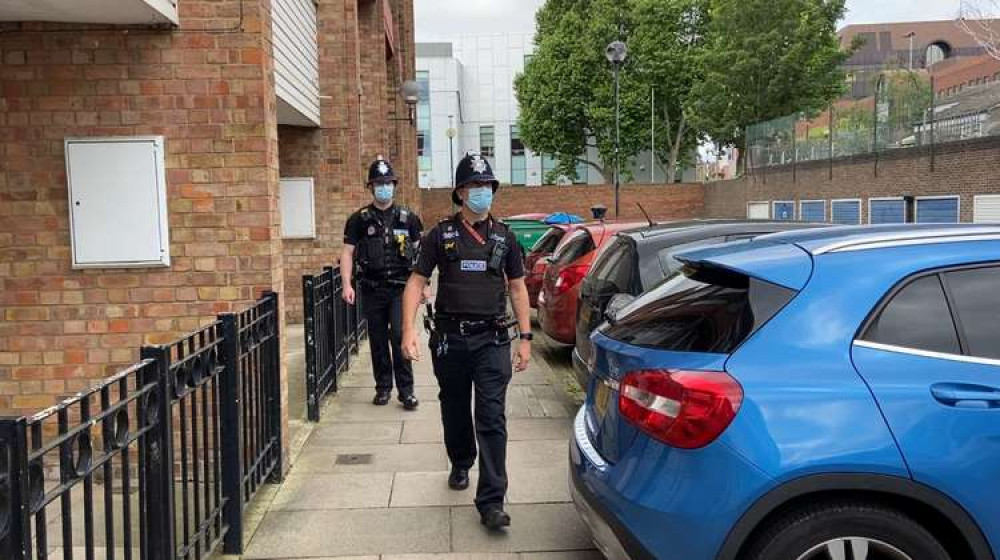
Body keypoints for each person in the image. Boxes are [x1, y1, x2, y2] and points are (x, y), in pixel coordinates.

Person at [401, 152, 532, 531]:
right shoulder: (439, 236)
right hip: (450, 342)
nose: (482, 192)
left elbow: (519, 289)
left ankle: (491, 500)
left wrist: (525, 338)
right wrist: (408, 331)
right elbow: (415, 283)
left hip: (492, 341)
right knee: (455, 410)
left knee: (491, 417)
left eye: (487, 186)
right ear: (460, 192)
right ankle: (460, 460)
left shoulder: (505, 238)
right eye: (475, 186)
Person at [342, 156, 423, 409]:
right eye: (379, 183)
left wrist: (425, 286)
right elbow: (347, 253)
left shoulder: (408, 218)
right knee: (377, 340)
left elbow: (422, 256)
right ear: (371, 187)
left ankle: (406, 391)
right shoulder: (359, 219)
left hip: (401, 289)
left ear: (395, 185)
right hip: (372, 288)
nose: (384, 187)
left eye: (388, 182)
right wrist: (347, 284)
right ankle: (383, 387)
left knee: (400, 335)